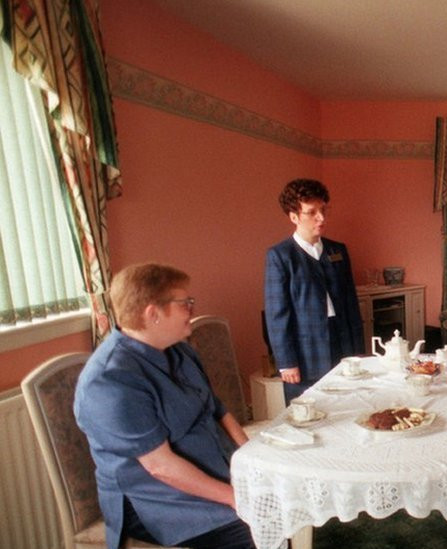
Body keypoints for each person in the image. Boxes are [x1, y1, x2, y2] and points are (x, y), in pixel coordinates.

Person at [74, 263, 255, 549]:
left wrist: (251, 455)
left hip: (211, 470)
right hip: (160, 501)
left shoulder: (178, 348)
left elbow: (216, 408)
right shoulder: (110, 381)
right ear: (152, 313)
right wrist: (235, 497)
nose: (192, 310)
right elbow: (161, 467)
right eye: (185, 303)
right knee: (259, 531)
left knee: (288, 503)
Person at [264, 178, 364, 403]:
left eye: (323, 210)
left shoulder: (338, 250)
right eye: (312, 212)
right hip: (305, 350)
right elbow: (277, 315)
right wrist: (286, 361)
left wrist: (358, 350)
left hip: (342, 342)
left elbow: (351, 304)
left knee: (351, 404)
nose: (321, 218)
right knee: (309, 413)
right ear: (294, 217)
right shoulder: (280, 256)